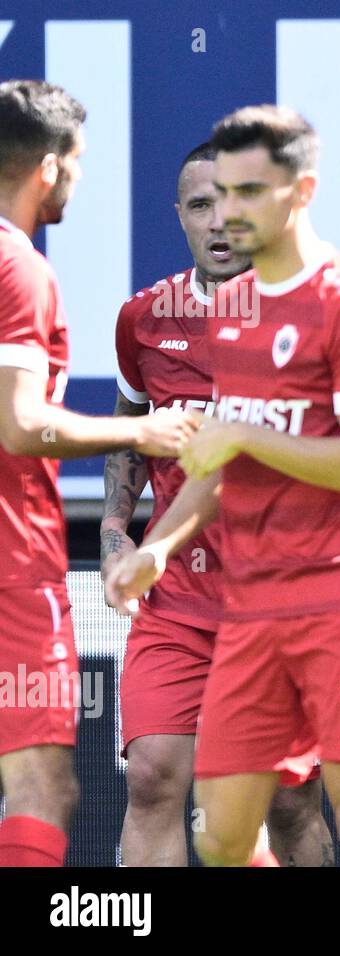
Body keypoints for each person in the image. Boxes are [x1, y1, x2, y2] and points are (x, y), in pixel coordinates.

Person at [106, 105, 340, 866]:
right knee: (222, 831)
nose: (231, 213)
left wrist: (242, 434)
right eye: (218, 195)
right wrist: (158, 545)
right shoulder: (234, 320)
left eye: (249, 192)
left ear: (301, 191)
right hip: (248, 606)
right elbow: (223, 464)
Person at [105, 142, 331, 866]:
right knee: (152, 778)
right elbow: (132, 429)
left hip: (283, 606)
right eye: (200, 205)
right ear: (179, 216)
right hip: (178, 603)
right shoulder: (145, 319)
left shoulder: (321, 318)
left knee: (290, 802)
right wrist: (114, 524)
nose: (218, 220)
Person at [0, 79, 197, 866]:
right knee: (44, 788)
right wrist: (142, 425)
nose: (80, 181)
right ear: (49, 167)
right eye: (78, 164)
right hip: (12, 564)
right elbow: (19, 423)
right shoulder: (20, 270)